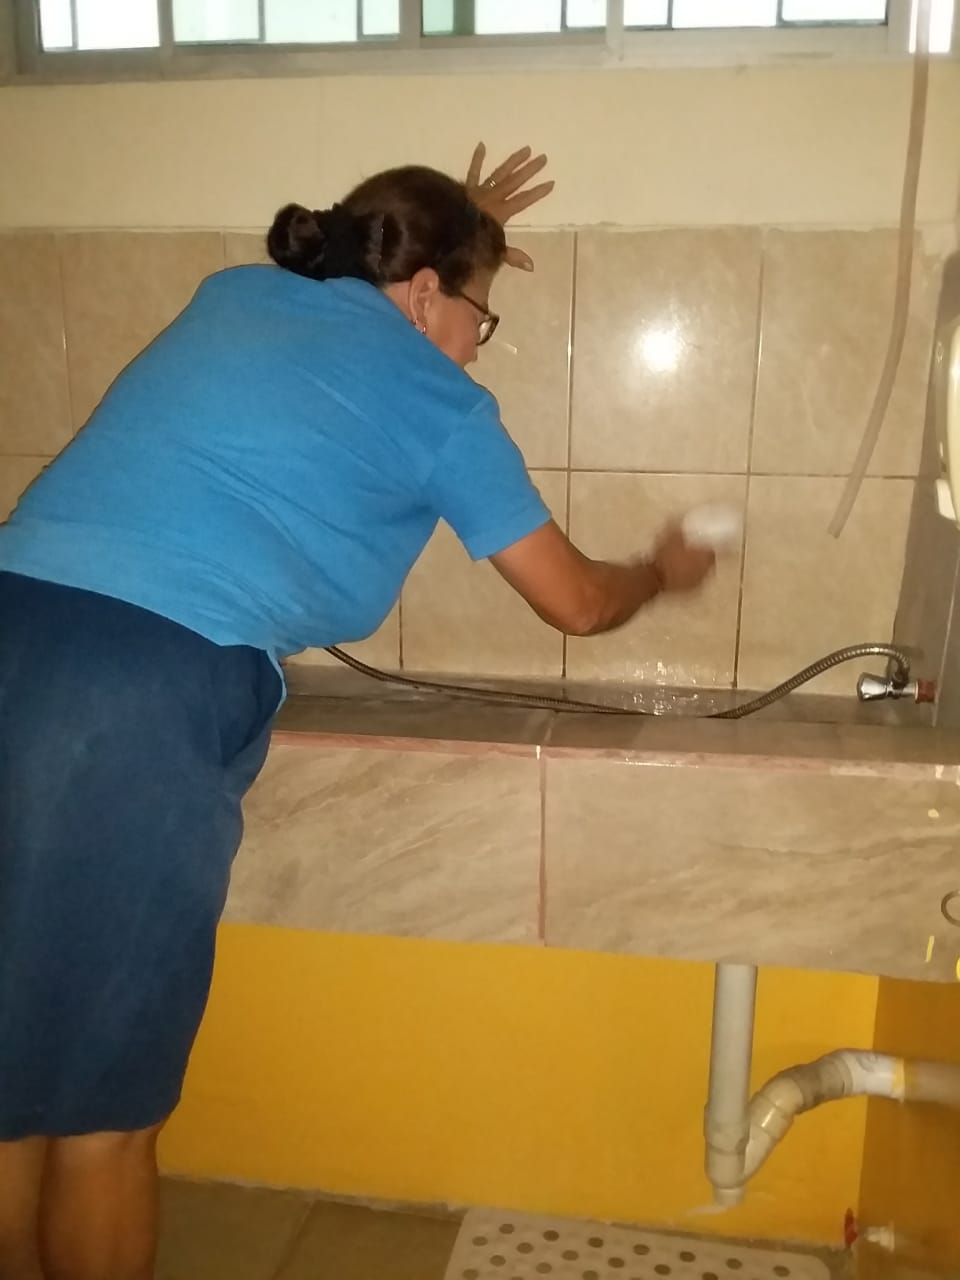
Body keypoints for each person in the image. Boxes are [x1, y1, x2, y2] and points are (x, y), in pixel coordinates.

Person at [0, 144, 713, 1280]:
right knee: (103, 1113)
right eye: (482, 314)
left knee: (11, 1077)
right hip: (130, 692)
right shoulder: (441, 401)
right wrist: (661, 573)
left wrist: (464, 223)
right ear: (425, 292)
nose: (479, 341)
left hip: (17, 629)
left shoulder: (238, 296)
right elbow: (576, 601)